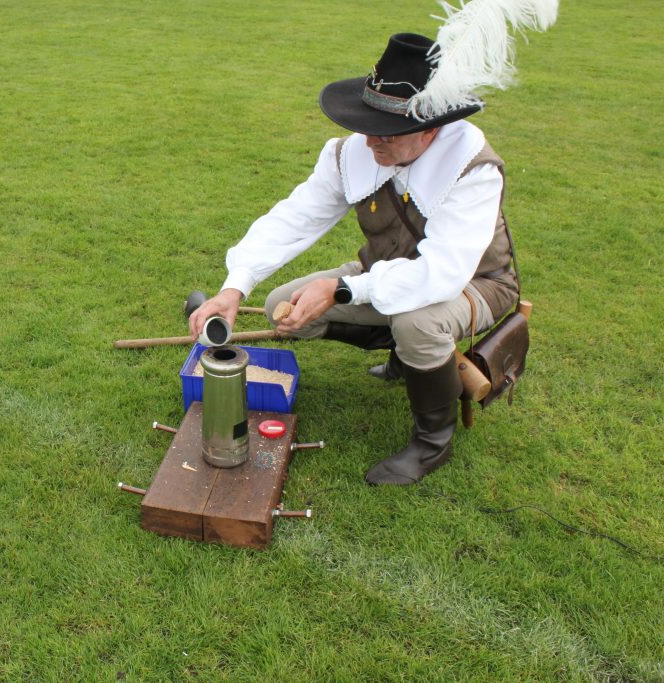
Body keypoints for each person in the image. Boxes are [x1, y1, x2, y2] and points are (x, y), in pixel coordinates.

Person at [187, 32, 522, 485]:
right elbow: (296, 217)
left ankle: (432, 443)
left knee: (417, 322)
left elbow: (443, 273)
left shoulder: (473, 169)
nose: (370, 143)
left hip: (474, 284)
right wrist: (235, 286)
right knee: (282, 308)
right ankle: (407, 354)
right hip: (382, 273)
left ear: (430, 129)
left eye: (387, 131)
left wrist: (343, 289)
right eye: (368, 124)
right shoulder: (352, 154)